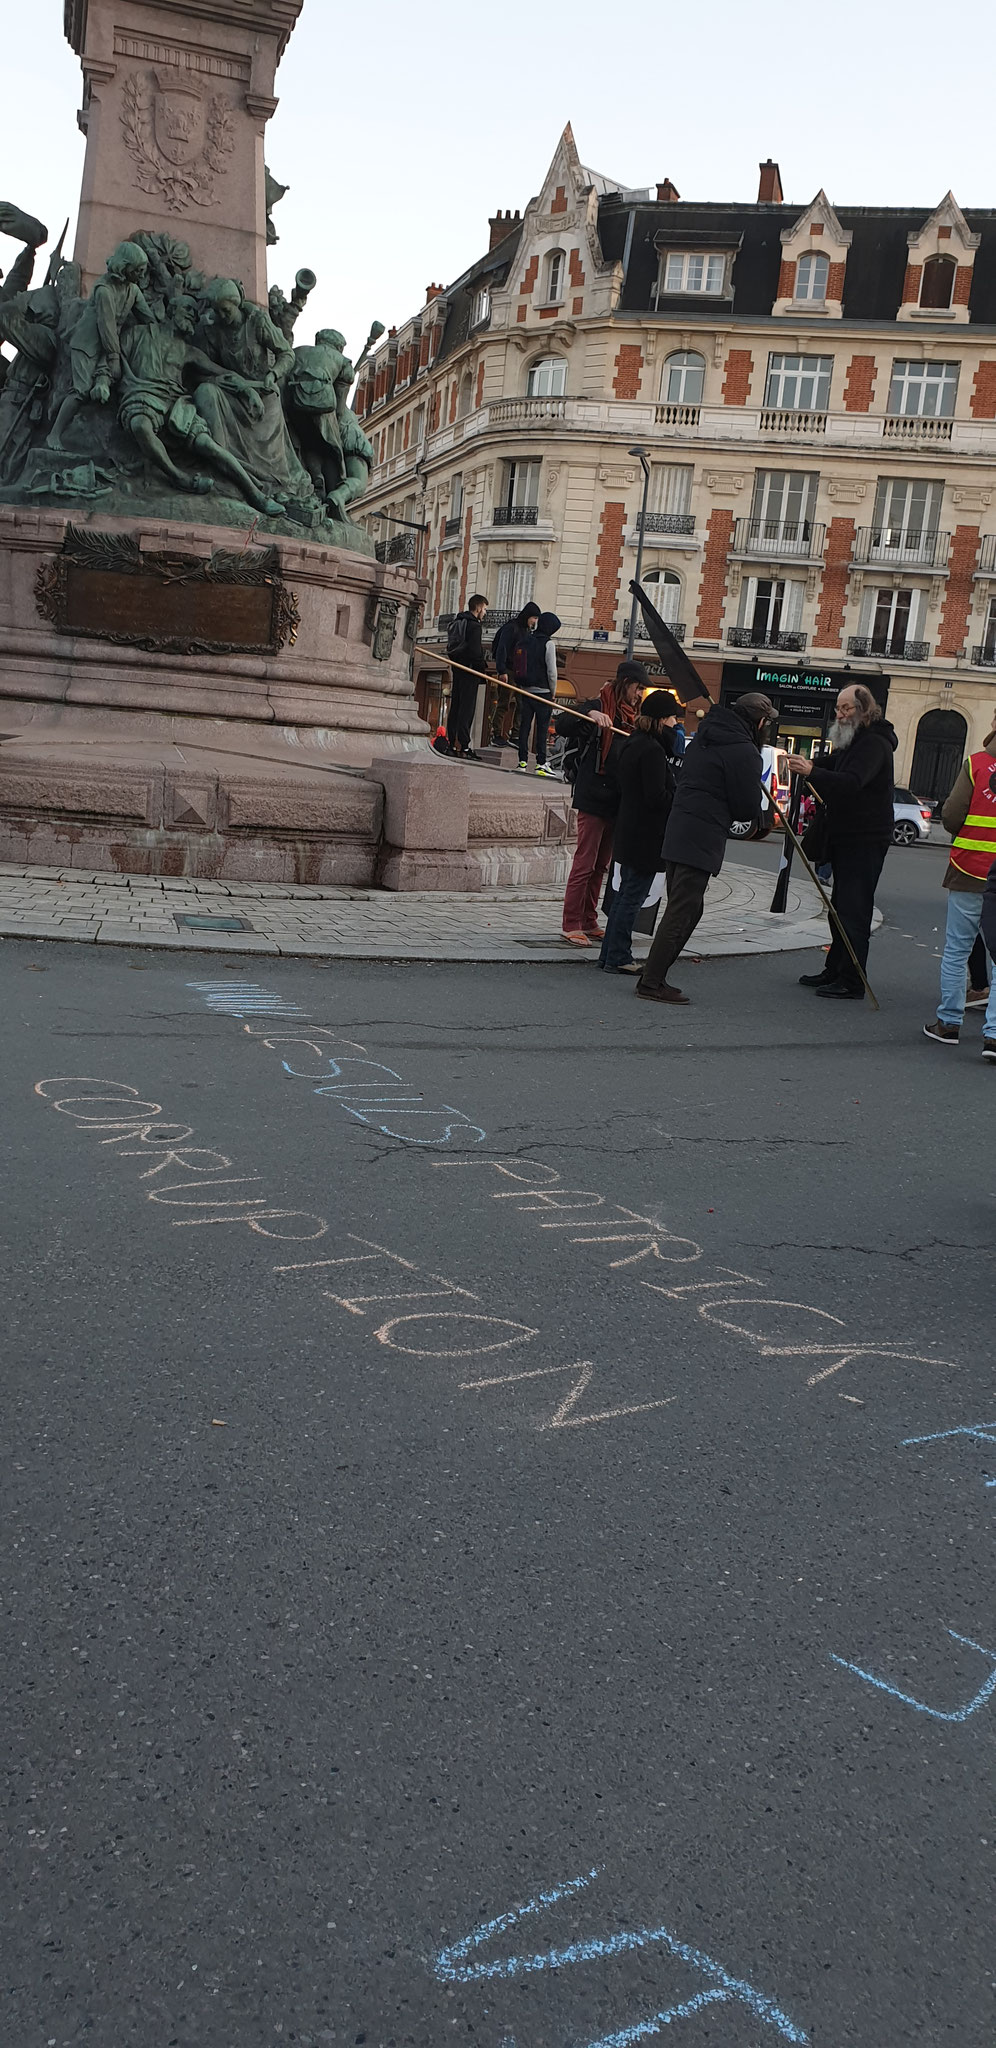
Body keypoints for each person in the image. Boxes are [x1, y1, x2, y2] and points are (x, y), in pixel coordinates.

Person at [636, 691, 775, 1004]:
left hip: (680, 828)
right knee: (682, 910)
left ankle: (655, 973)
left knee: (689, 908)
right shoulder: (744, 751)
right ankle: (651, 980)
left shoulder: (704, 737)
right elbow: (744, 807)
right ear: (760, 722)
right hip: (702, 835)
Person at [788, 684, 897, 1002]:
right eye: (838, 708)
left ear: (863, 710)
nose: (839, 714)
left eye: (845, 708)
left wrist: (812, 771)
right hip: (847, 834)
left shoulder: (874, 743)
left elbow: (851, 782)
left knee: (854, 908)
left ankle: (852, 979)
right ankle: (835, 967)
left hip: (864, 837)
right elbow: (834, 764)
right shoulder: (854, 741)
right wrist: (809, 765)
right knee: (840, 907)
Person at [555, 661, 646, 944]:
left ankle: (589, 918)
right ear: (625, 682)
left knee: (601, 865)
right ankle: (571, 922)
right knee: (585, 862)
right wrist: (590, 713)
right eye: (637, 687)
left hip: (617, 798)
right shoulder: (598, 704)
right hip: (594, 794)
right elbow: (563, 723)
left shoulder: (634, 716)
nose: (639, 693)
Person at [922, 717, 996, 1057]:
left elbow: (951, 816)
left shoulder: (976, 764)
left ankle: (948, 1023)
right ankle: (994, 1035)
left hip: (968, 870)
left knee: (957, 949)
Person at [599, 690, 681, 973]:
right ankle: (619, 956)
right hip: (646, 835)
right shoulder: (653, 751)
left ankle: (608, 954)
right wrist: (677, 795)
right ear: (659, 720)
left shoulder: (633, 743)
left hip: (629, 829)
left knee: (624, 895)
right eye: (671, 717)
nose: (675, 724)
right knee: (632, 898)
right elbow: (656, 797)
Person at [515, 610, 561, 775]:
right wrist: (553, 691)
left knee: (524, 727)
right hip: (543, 692)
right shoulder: (548, 644)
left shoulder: (526, 640)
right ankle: (541, 763)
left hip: (526, 690)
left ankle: (522, 761)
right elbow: (552, 672)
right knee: (542, 729)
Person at [445, 593, 490, 758]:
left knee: (456, 707)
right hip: (470, 671)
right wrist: (481, 670)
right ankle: (464, 746)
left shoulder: (458, 622)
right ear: (478, 608)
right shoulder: (474, 626)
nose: (485, 613)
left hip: (458, 670)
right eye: (484, 609)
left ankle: (451, 743)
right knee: (467, 709)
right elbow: (475, 652)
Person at [489, 602, 540, 745]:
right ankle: (496, 733)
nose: (535, 622)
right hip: (509, 670)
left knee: (522, 703)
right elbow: (502, 648)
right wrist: (501, 670)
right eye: (534, 618)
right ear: (528, 616)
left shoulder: (525, 631)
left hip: (520, 673)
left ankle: (516, 733)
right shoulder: (511, 628)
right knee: (504, 702)